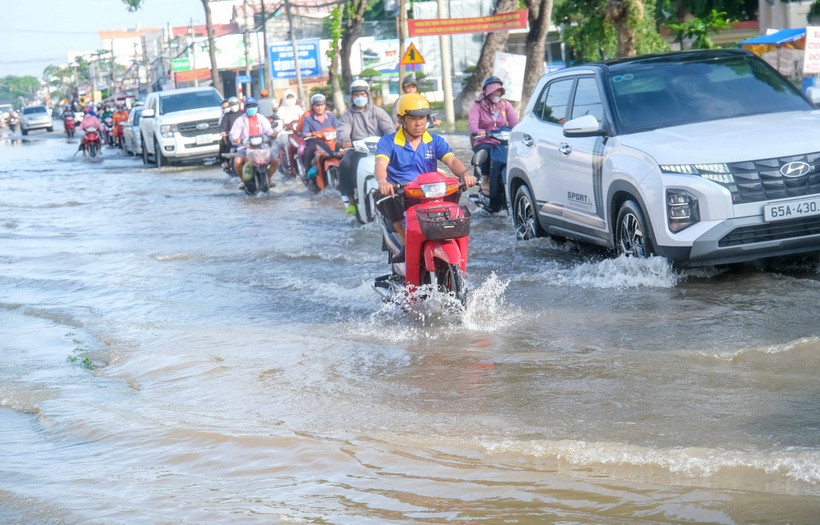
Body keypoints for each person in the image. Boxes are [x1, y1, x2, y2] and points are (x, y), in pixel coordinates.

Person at [375, 93, 476, 242]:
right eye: (413, 119)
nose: (419, 123)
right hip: (401, 195)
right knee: (386, 196)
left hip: (430, 194)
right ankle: (405, 240)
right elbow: (380, 164)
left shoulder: (435, 141)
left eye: (422, 118)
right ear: (401, 119)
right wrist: (383, 181)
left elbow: (452, 160)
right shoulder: (388, 141)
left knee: (456, 192)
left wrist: (465, 174)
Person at [337, 79, 395, 215]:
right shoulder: (347, 116)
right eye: (356, 95)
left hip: (381, 151)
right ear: (352, 97)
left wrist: (392, 138)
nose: (359, 97)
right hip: (357, 151)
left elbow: (389, 129)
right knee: (344, 164)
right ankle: (351, 201)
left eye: (362, 94)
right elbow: (342, 131)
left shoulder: (379, 112)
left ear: (368, 95)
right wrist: (345, 140)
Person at [468, 76, 519, 212]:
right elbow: (472, 125)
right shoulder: (478, 105)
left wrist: (519, 130)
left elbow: (514, 123)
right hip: (484, 140)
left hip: (501, 141)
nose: (497, 95)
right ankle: (485, 179)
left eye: (499, 92)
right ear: (487, 92)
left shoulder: (506, 105)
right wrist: (481, 132)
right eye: (494, 92)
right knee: (487, 151)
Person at [229, 96, 279, 187]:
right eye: (249, 106)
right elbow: (233, 135)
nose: (251, 108)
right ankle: (243, 180)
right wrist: (237, 139)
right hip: (245, 147)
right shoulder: (240, 120)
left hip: (262, 147)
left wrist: (273, 134)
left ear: (257, 107)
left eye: (253, 106)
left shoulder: (262, 118)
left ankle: (268, 178)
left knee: (276, 160)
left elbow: (269, 130)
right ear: (245, 108)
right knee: (237, 162)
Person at [298, 93, 340, 179]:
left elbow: (339, 128)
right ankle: (308, 173)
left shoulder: (331, 116)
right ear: (313, 106)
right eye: (317, 105)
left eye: (321, 105)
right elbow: (304, 133)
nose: (319, 107)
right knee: (308, 152)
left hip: (331, 142)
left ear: (325, 105)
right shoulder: (308, 118)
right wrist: (313, 134)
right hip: (316, 143)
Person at [275, 88, 304, 172]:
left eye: (292, 97)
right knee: (286, 143)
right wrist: (279, 129)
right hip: (285, 133)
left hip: (297, 133)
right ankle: (289, 165)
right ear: (284, 98)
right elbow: (278, 121)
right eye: (288, 98)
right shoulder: (281, 110)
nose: (290, 100)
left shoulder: (298, 108)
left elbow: (304, 118)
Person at [219, 96, 243, 174]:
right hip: (233, 139)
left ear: (238, 104)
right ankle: (226, 163)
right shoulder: (227, 116)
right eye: (231, 104)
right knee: (227, 146)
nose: (233, 106)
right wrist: (223, 131)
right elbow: (223, 126)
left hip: (244, 138)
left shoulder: (243, 114)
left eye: (235, 104)